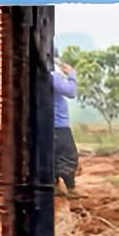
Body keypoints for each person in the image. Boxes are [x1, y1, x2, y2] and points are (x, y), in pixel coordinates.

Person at [52, 49, 83, 198]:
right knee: (69, 155)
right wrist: (71, 74)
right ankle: (70, 188)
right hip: (58, 124)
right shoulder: (52, 75)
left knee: (52, 154)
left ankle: (55, 185)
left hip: (49, 123)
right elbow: (70, 92)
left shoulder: (40, 75)